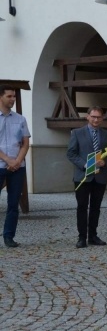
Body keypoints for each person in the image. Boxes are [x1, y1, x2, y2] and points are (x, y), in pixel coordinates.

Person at [66, 106, 107, 248]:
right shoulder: (77, 133)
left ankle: (93, 235)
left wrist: (105, 162)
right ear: (87, 117)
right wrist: (85, 165)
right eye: (93, 116)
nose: (96, 119)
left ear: (102, 118)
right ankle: (81, 237)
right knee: (82, 207)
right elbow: (71, 153)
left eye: (98, 117)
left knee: (96, 207)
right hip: (82, 176)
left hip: (100, 176)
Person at [0, 85, 31, 248]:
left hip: (18, 167)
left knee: (13, 203)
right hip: (0, 164)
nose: (12, 99)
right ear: (1, 97)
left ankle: (9, 236)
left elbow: (26, 143)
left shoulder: (20, 119)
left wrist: (17, 160)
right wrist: (8, 160)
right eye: (9, 96)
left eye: (14, 96)